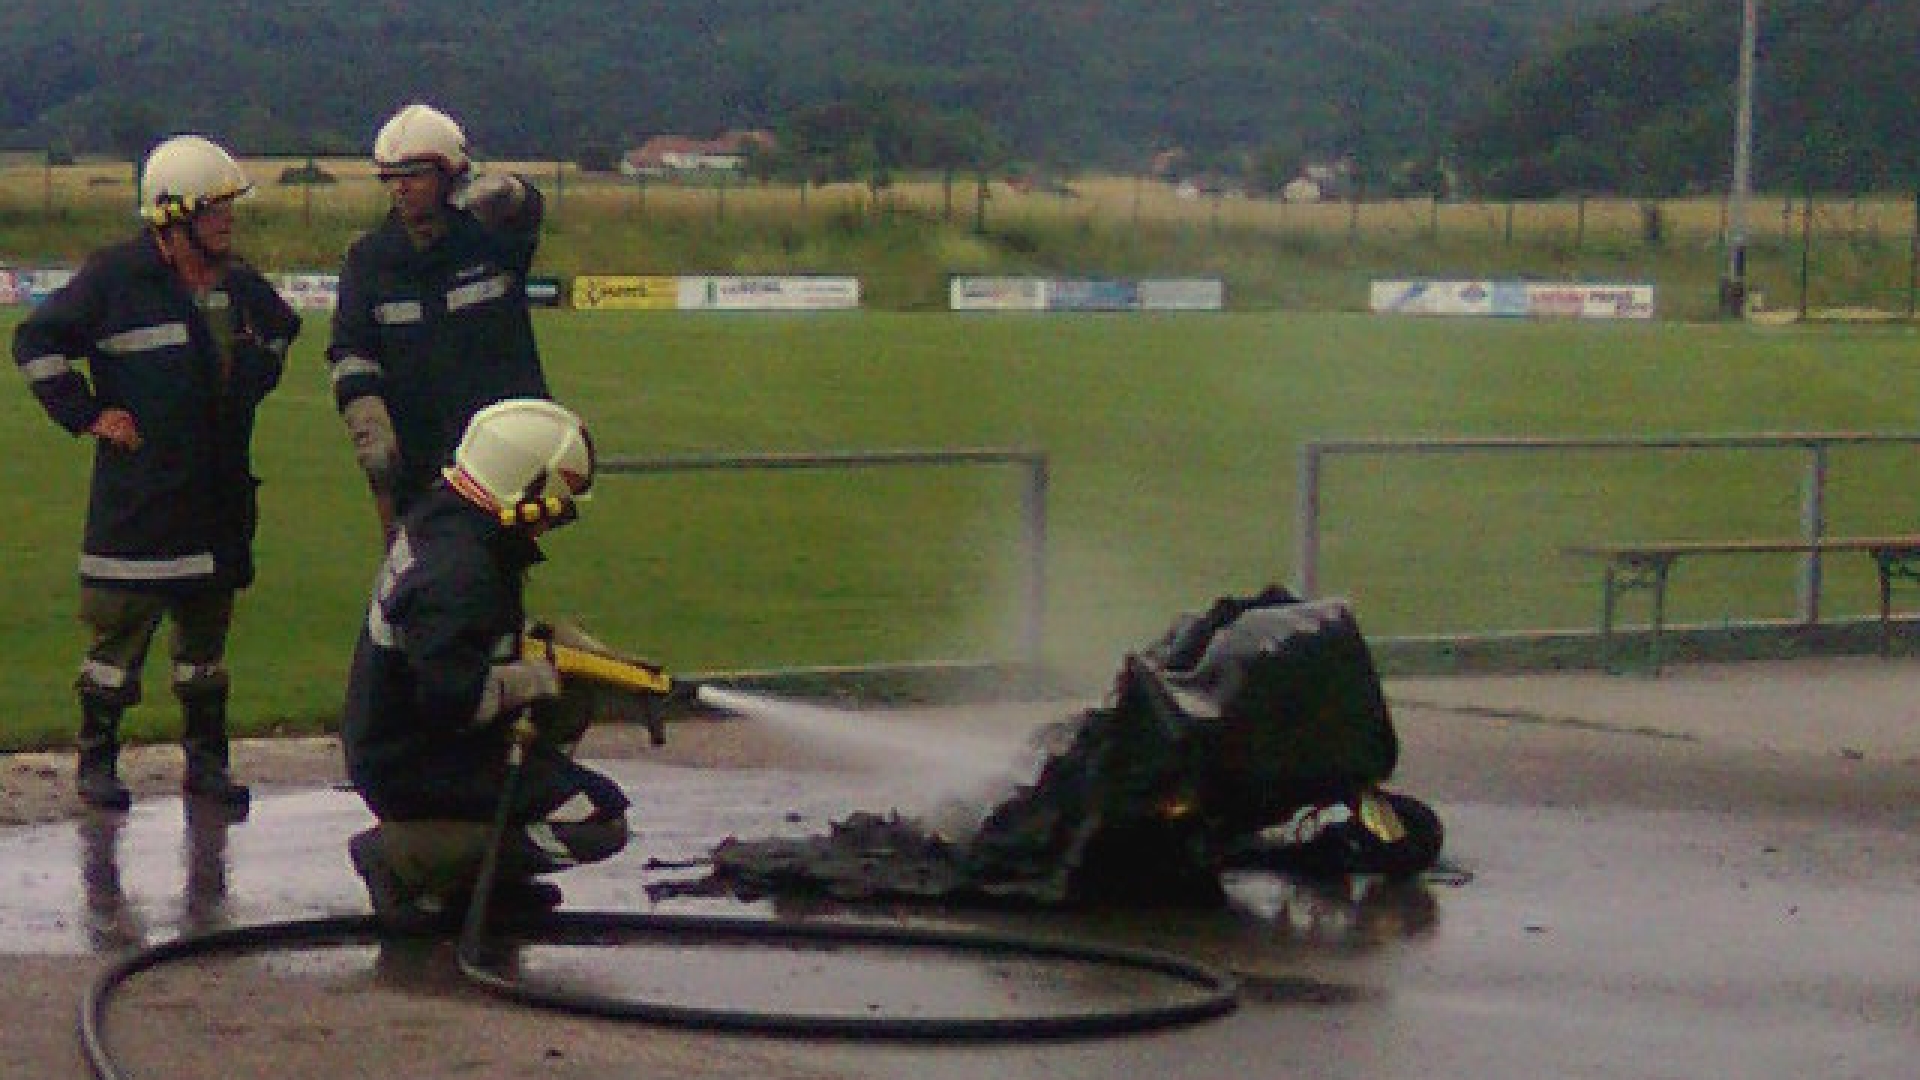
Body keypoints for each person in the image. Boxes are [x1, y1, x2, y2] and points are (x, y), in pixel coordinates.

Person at [13, 134, 300, 812]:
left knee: (204, 657)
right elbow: (36, 342)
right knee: (115, 650)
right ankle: (97, 764)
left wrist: (252, 379)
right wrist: (88, 414)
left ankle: (207, 766)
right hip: (137, 506)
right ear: (174, 218)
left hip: (216, 505)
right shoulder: (114, 279)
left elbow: (281, 330)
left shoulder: (238, 285)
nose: (228, 220)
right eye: (215, 208)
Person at [341, 398, 630, 932]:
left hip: (403, 741)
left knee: (568, 695)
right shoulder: (461, 570)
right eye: (556, 507)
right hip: (413, 761)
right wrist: (539, 676)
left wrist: (558, 650)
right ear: (526, 488)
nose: (553, 522)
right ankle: (409, 858)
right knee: (598, 818)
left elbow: (464, 644)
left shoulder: (450, 522)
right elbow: (452, 702)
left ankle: (480, 869)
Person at [327, 102, 551, 539]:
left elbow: (528, 210)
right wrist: (370, 427)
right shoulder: (370, 260)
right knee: (420, 574)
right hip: (417, 467)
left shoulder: (490, 240)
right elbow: (351, 352)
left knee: (496, 571)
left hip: (501, 460)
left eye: (415, 175)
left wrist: (506, 190)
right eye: (391, 177)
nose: (401, 188)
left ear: (450, 176)